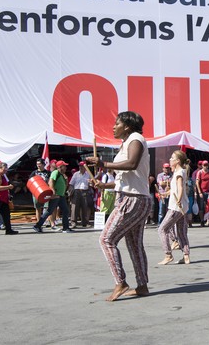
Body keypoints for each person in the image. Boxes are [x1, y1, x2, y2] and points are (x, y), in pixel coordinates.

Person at [86, 111, 153, 302]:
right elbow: (126, 179)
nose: (113, 127)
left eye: (117, 123)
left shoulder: (136, 139)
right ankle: (142, 285)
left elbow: (132, 164)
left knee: (106, 239)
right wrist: (104, 185)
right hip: (135, 197)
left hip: (132, 200)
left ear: (128, 125)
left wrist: (104, 163)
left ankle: (120, 282)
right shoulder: (127, 142)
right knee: (134, 244)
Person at [158, 150, 191, 265]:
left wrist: (178, 199)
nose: (170, 160)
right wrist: (165, 194)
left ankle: (168, 255)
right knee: (181, 231)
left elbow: (180, 188)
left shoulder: (179, 173)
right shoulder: (180, 172)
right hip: (181, 206)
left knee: (162, 229)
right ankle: (186, 256)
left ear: (177, 161)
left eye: (172, 158)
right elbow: (174, 190)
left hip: (176, 207)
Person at [33, 160, 73, 233]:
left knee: (65, 211)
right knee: (49, 211)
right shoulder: (55, 172)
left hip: (61, 196)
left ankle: (66, 228)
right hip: (56, 196)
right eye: (64, 166)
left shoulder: (61, 174)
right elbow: (51, 182)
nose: (66, 168)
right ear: (60, 167)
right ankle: (37, 226)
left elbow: (65, 185)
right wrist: (53, 193)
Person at [69, 162, 94, 228]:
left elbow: (92, 184)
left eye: (82, 166)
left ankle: (85, 222)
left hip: (85, 191)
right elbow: (71, 184)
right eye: (79, 166)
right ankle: (73, 222)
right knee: (74, 207)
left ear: (85, 167)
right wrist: (71, 191)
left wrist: (91, 183)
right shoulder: (76, 174)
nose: (80, 167)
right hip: (76, 191)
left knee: (85, 207)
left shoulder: (88, 174)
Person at [28, 158, 51, 225]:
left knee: (47, 207)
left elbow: (51, 182)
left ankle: (47, 221)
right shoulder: (34, 173)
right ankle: (38, 222)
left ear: (43, 164)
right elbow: (30, 182)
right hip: (36, 192)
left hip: (46, 191)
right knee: (38, 208)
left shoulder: (48, 173)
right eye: (37, 164)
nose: (38, 165)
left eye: (40, 164)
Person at [196, 161, 209, 226]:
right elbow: (197, 183)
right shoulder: (200, 172)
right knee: (201, 207)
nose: (205, 166)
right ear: (202, 166)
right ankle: (202, 221)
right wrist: (199, 192)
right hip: (202, 191)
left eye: (206, 165)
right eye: (204, 165)